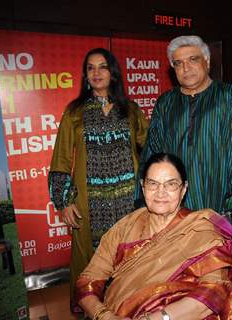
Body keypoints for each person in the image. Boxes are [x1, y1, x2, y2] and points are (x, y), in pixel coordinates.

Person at [76, 153, 232, 320]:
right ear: (143, 186)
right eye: (153, 184)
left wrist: (156, 318)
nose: (160, 192)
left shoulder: (202, 230)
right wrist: (105, 316)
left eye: (171, 184)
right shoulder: (125, 227)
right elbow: (87, 281)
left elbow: (213, 292)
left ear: (184, 189)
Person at [48, 47, 149, 311]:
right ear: (85, 75)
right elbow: (60, 158)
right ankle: (92, 310)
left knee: (130, 258)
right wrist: (63, 201)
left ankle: (128, 307)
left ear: (113, 73)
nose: (96, 73)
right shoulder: (75, 112)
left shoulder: (130, 110)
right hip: (88, 205)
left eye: (102, 66)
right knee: (90, 264)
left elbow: (150, 147)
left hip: (129, 203)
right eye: (90, 68)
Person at [137, 35, 232, 231]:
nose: (186, 68)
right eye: (178, 63)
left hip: (218, 211)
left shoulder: (228, 97)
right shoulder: (166, 103)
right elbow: (150, 157)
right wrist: (144, 206)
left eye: (193, 59)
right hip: (171, 212)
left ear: (207, 61)